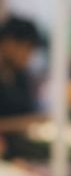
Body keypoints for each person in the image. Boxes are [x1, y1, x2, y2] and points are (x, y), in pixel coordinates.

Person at [0, 15, 47, 158]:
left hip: (20, 157)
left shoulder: (22, 77)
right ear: (8, 42)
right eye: (27, 48)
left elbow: (30, 112)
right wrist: (23, 123)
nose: (29, 56)